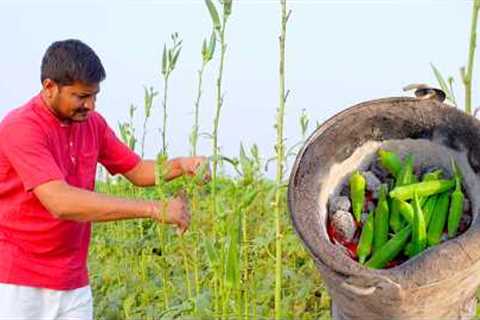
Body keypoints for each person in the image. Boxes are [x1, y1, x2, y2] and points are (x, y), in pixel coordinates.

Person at [0, 39, 209, 320]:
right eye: (81, 96)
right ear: (49, 87)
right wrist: (153, 209)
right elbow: (59, 202)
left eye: (94, 96)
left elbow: (137, 170)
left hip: (72, 280)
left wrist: (182, 165)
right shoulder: (21, 128)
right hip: (17, 282)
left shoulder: (92, 125)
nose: (90, 105)